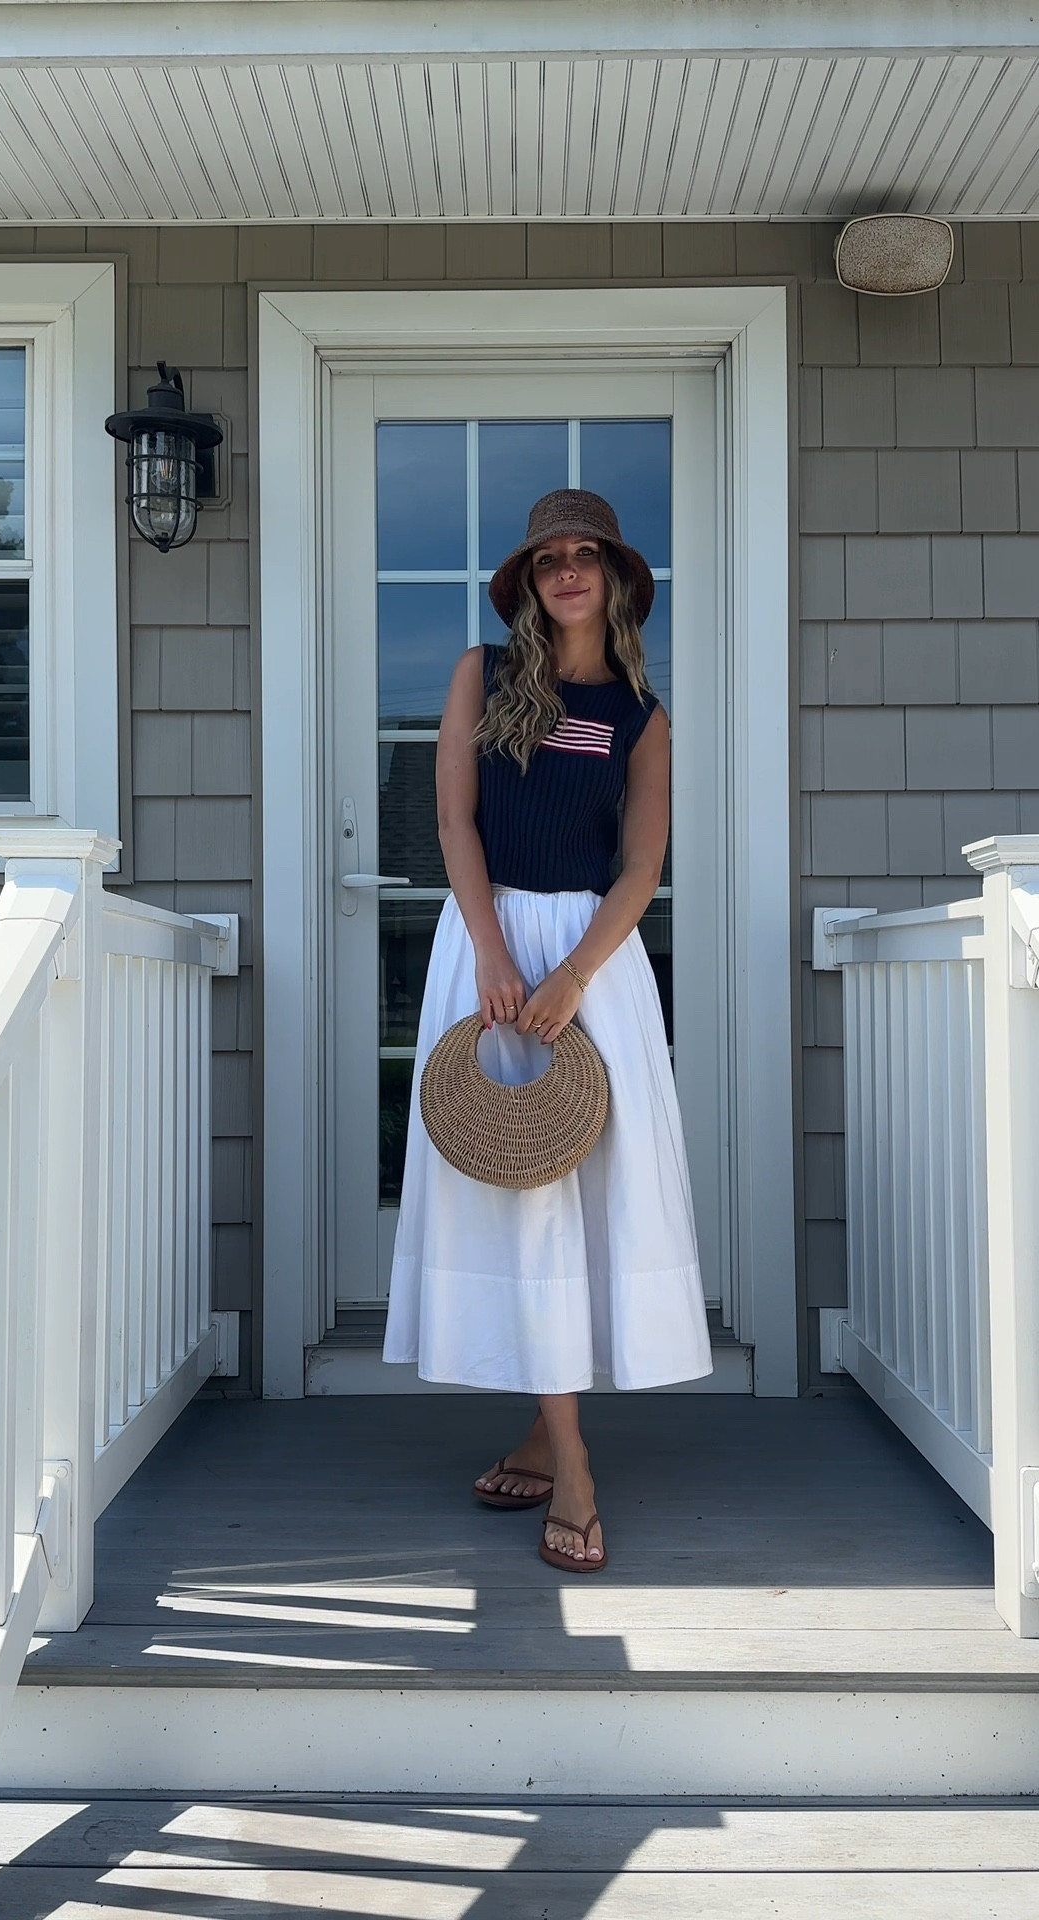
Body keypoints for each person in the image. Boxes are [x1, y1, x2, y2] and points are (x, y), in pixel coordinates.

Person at [383, 489, 713, 1571]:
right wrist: (488, 948)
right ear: (527, 581)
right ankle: (563, 1446)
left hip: (592, 966)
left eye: (587, 556)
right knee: (513, 1188)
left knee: (575, 1195)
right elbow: (452, 819)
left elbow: (643, 867)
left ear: (614, 579)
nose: (567, 571)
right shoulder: (482, 673)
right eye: (548, 558)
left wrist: (572, 975)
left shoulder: (641, 717)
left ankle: (551, 1437)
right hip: (485, 944)